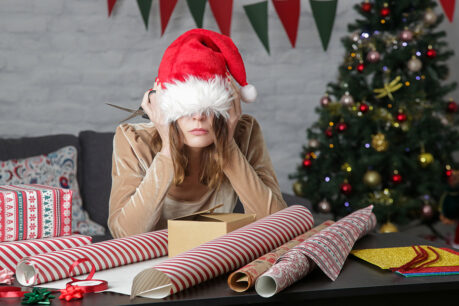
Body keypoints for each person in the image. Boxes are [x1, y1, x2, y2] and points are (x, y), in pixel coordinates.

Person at [108, 28, 287, 239]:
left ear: (226, 106)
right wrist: (167, 149)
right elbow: (124, 234)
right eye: (186, 107)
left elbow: (277, 225)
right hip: (155, 265)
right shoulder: (133, 140)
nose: (198, 117)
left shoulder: (244, 133)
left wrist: (227, 145)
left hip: (215, 261)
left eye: (209, 106)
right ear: (167, 106)